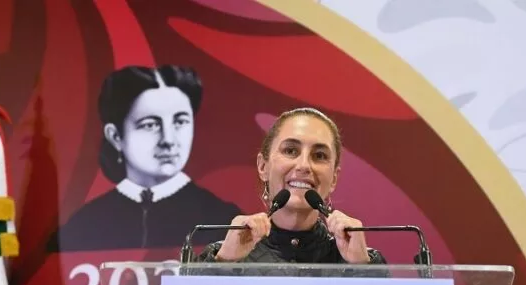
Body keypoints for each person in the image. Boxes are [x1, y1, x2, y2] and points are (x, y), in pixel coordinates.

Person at [53, 65, 241, 252]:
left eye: (180, 122)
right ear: (115, 136)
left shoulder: (224, 221)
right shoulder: (82, 226)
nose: (168, 140)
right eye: (150, 125)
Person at [197, 107, 386, 265]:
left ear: (334, 179)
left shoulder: (361, 260)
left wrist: (362, 269)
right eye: (290, 151)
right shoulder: (220, 256)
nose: (304, 165)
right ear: (263, 167)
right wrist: (223, 263)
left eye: (319, 155)